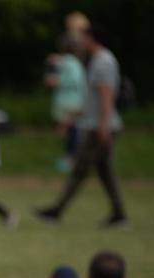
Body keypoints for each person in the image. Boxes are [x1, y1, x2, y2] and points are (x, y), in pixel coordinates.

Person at [34, 25, 127, 228]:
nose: (80, 44)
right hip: (97, 124)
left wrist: (104, 126)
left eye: (83, 39)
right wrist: (72, 118)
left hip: (99, 127)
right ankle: (119, 214)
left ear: (92, 39)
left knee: (79, 170)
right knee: (105, 172)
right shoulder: (95, 62)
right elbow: (91, 100)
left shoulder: (104, 62)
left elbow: (106, 96)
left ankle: (56, 211)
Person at [45, 34, 85, 173]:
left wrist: (57, 80)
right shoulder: (73, 61)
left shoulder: (68, 61)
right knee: (70, 130)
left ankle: (70, 159)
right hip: (72, 101)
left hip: (70, 102)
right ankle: (70, 158)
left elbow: (72, 80)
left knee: (70, 130)